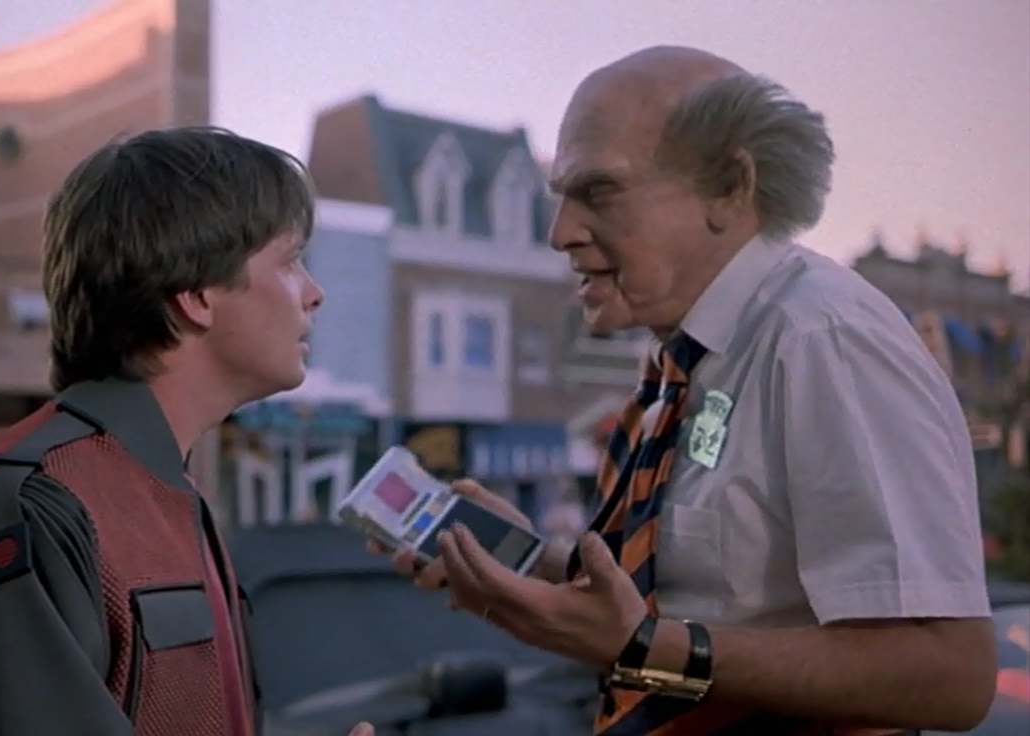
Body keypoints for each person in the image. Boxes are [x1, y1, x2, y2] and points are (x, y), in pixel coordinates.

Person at [381, 46, 998, 735]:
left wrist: (646, 649)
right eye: (562, 197)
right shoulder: (683, 365)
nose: (560, 233)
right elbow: (685, 613)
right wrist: (534, 567)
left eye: (598, 192)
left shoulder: (824, 340)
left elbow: (950, 675)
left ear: (731, 186)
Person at [0, 127, 375, 736]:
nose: (314, 293)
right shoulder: (28, 510)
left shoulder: (170, 493)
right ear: (196, 293)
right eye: (290, 260)